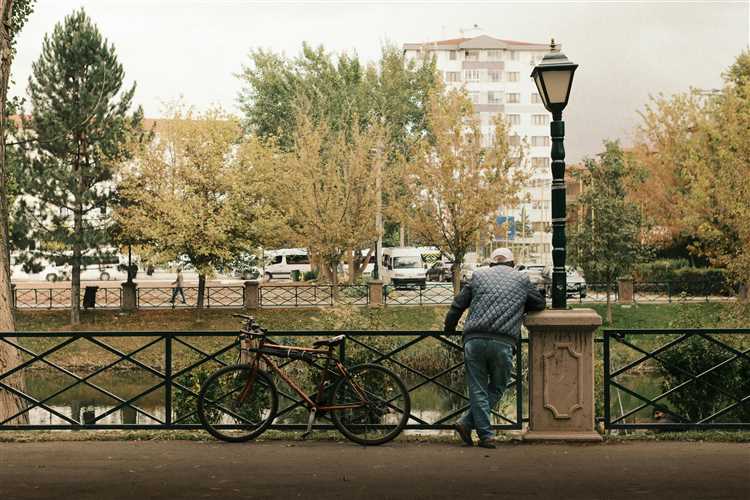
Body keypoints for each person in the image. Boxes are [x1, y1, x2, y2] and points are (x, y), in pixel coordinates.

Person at [444, 248, 545, 449]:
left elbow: (458, 305)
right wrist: (519, 305)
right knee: (498, 387)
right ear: (512, 263)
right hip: (503, 341)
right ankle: (484, 435)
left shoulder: (478, 275)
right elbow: (540, 303)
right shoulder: (521, 279)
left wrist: (449, 328)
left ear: (491, 263)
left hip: (474, 339)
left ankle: (468, 424)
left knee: (477, 388)